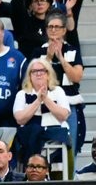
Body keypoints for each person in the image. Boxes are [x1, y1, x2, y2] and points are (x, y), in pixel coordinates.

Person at [31, 10, 83, 152]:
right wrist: (48, 58)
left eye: (57, 27)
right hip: (43, 104)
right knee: (43, 149)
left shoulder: (73, 51)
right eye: (50, 27)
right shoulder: (38, 52)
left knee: (70, 148)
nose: (53, 30)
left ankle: (69, 174)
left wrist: (61, 59)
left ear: (64, 30)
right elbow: (35, 78)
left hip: (69, 104)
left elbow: (77, 77)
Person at [12, 56, 70, 164]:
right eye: (34, 71)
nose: (38, 74)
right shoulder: (22, 94)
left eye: (42, 71)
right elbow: (20, 119)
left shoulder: (58, 91)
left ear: (48, 74)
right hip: (29, 135)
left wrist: (46, 99)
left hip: (54, 135)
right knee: (32, 131)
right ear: (29, 76)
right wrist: (38, 101)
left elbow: (63, 116)